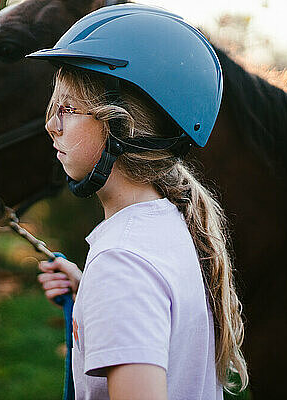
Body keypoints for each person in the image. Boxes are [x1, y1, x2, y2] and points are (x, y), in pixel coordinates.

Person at [27, 4, 248, 399]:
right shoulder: (168, 224)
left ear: (122, 126)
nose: (51, 124)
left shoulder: (123, 265)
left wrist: (110, 287)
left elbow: (130, 283)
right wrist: (92, 293)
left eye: (69, 109)